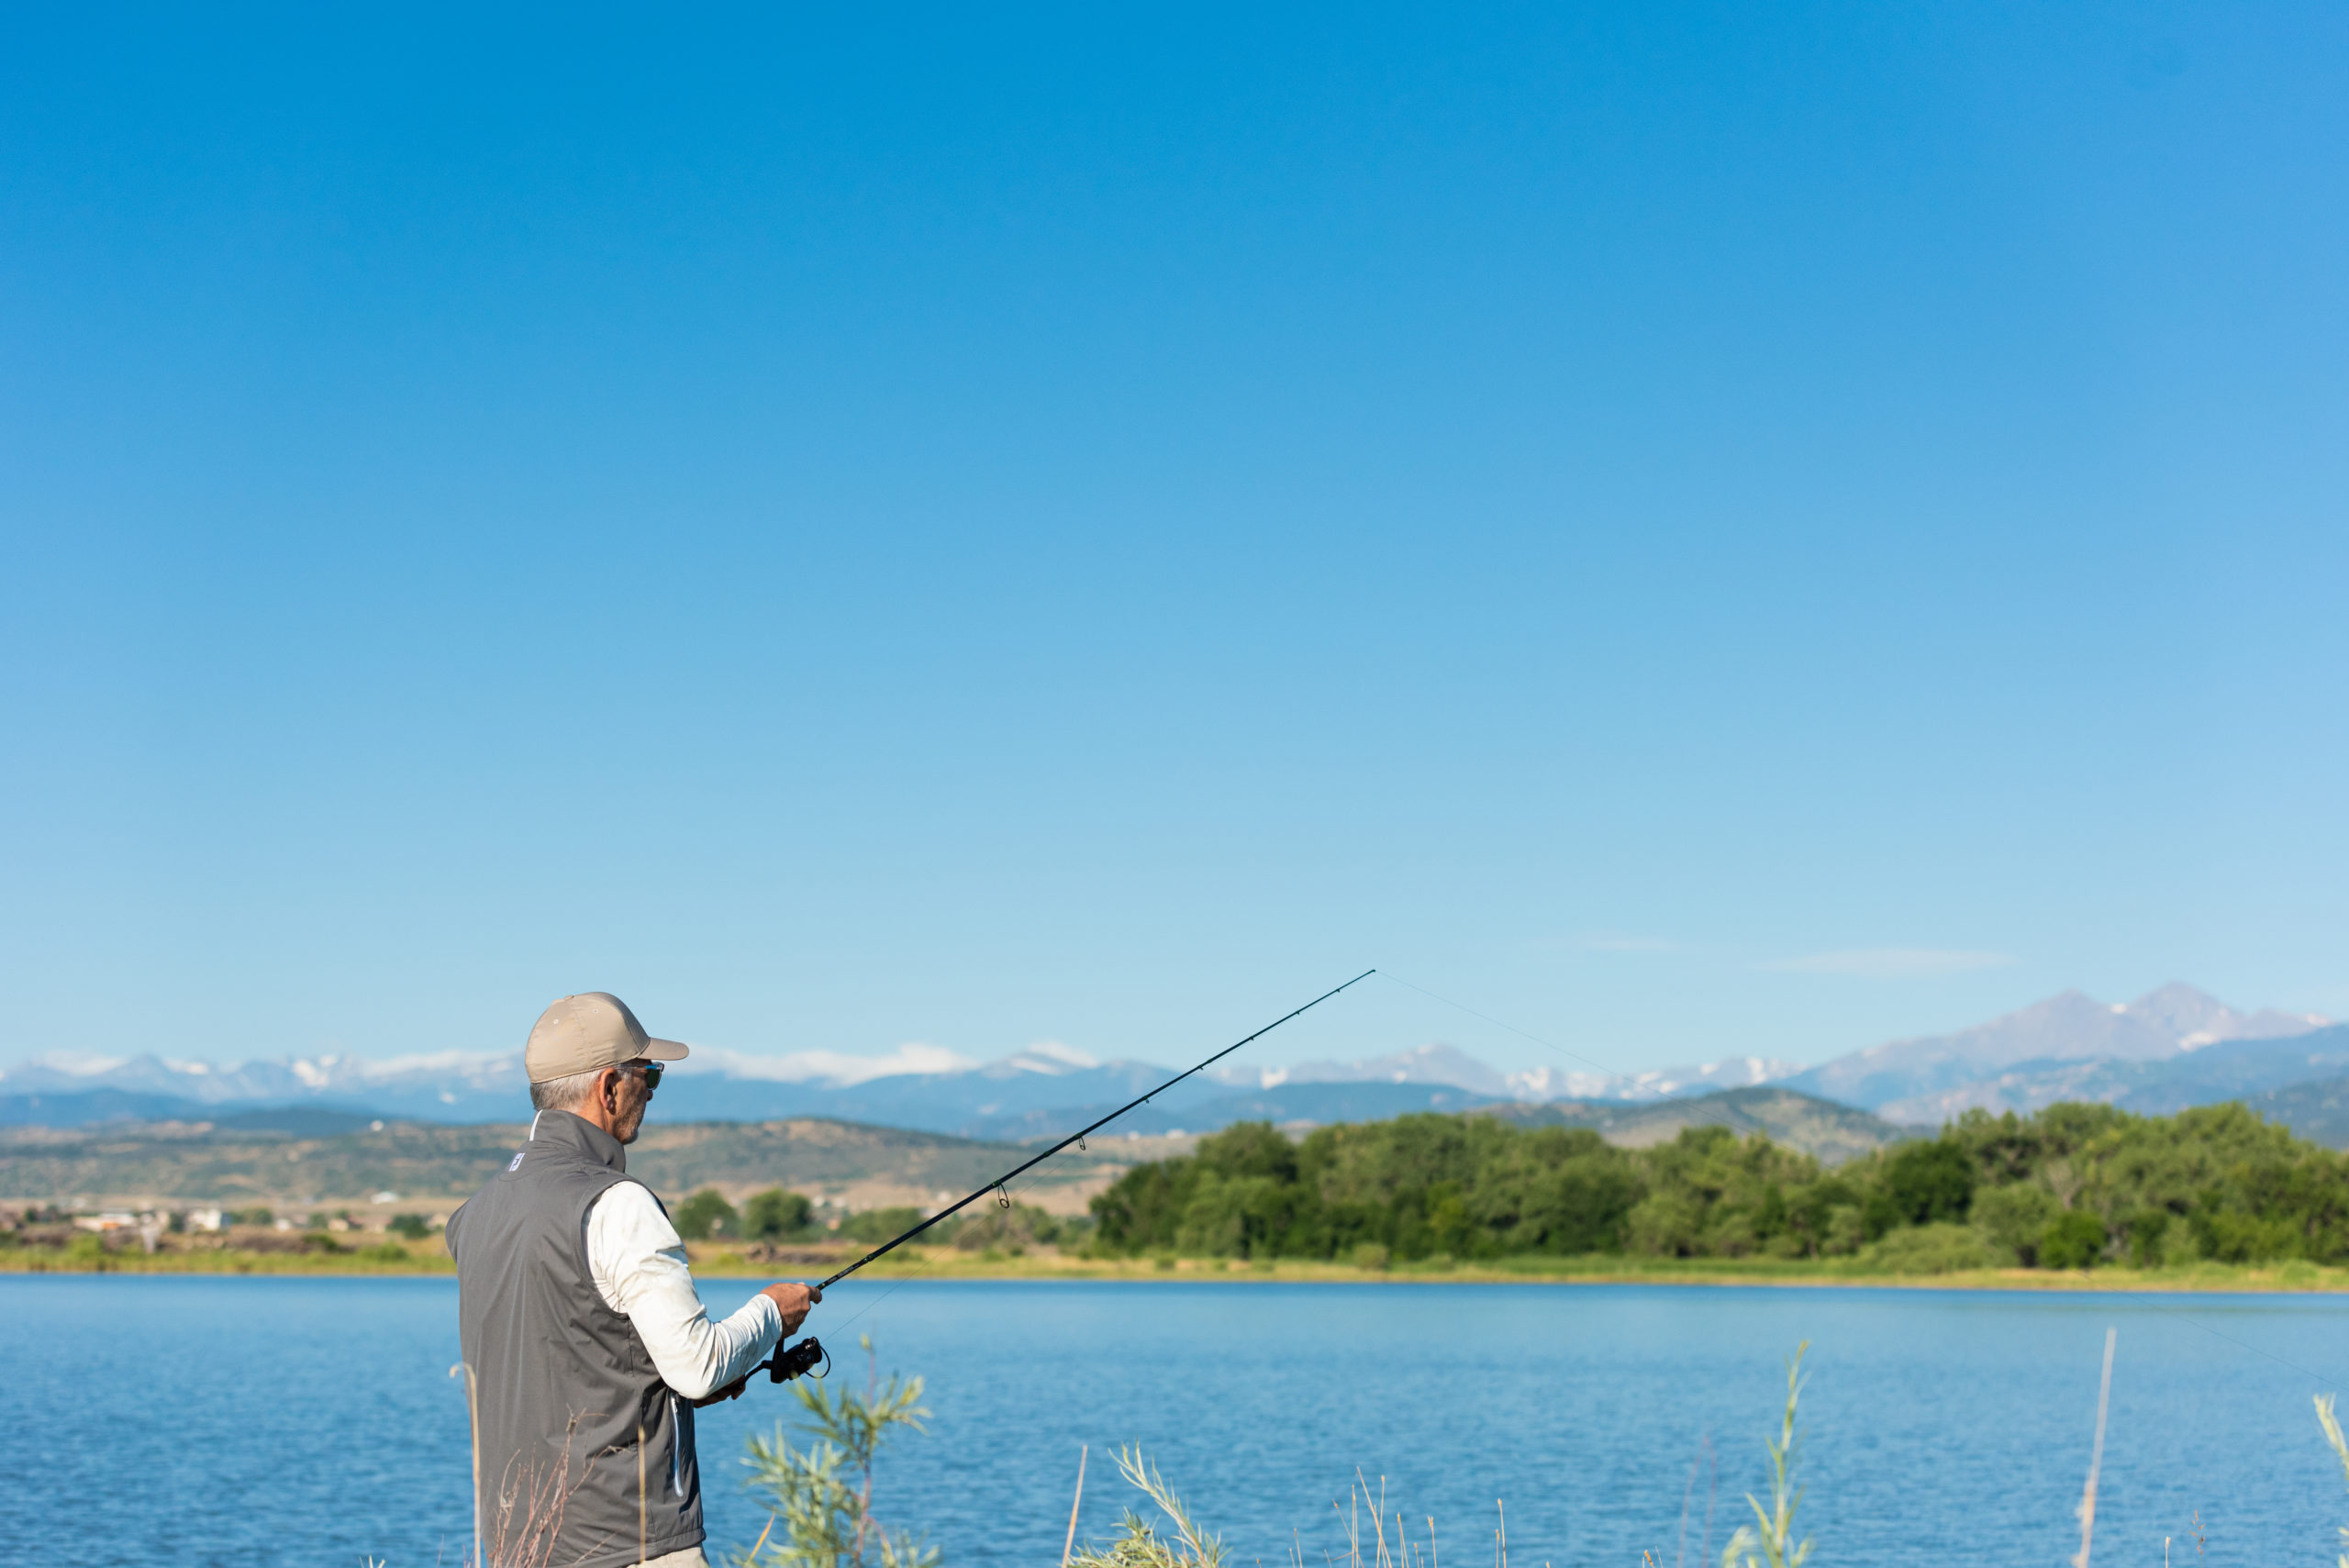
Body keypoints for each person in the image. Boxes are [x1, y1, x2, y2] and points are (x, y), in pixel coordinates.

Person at [447, 992, 819, 1568]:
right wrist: (773, 1312)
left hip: (519, 1547)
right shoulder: (619, 1204)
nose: (649, 1091)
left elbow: (572, 1355)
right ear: (609, 1087)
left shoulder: (474, 1214)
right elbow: (698, 1369)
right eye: (650, 1075)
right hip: (630, 1545)